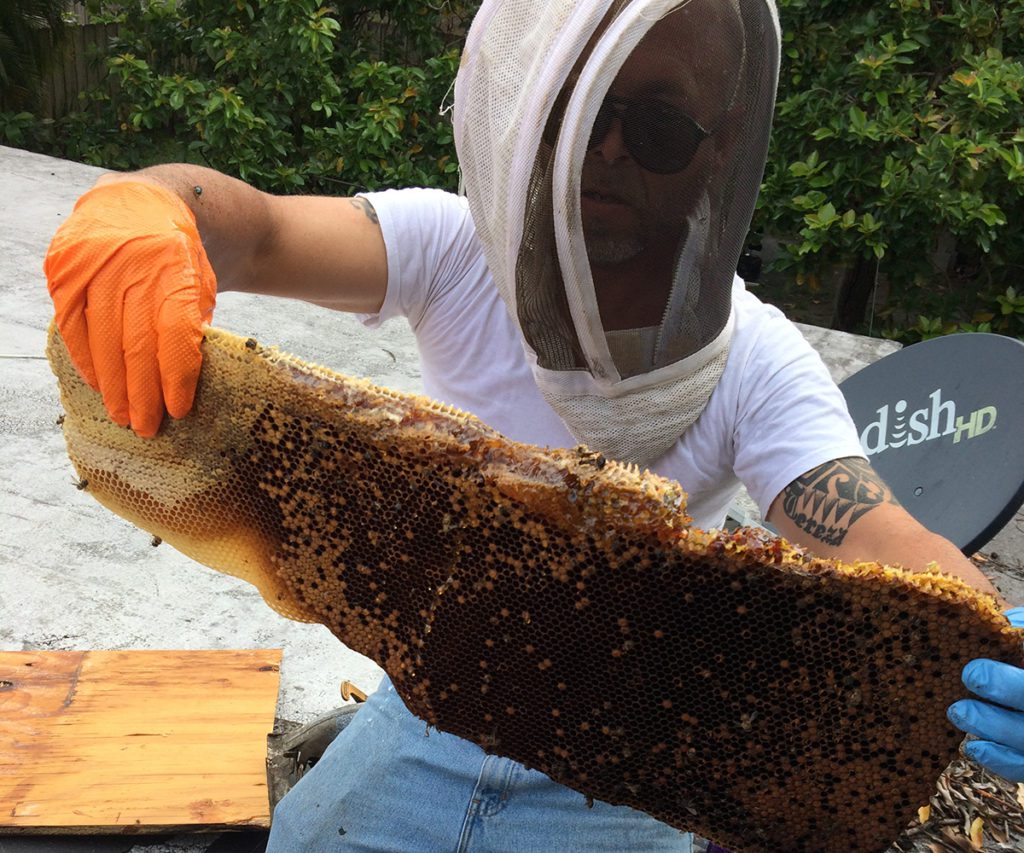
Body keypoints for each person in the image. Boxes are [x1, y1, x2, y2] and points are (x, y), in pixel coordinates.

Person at [44, 0, 1024, 850]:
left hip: (624, 764)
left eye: (658, 128)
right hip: (428, 704)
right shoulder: (454, 250)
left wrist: (988, 635)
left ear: (717, 153)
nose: (609, 150)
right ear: (535, 112)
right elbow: (253, 228)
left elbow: (883, 538)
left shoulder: (759, 365)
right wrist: (151, 205)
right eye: (589, 110)